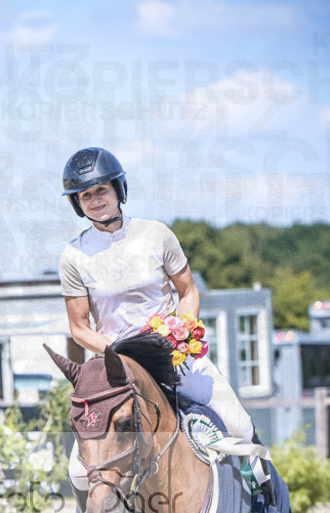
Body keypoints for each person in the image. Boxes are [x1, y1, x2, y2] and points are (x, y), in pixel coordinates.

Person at [58, 146, 268, 492]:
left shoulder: (156, 234)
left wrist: (182, 334)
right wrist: (122, 352)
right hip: (117, 367)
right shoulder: (73, 256)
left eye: (101, 190)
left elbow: (188, 291)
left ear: (118, 189)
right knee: (79, 472)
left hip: (174, 357)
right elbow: (79, 328)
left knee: (240, 425)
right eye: (84, 195)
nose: (94, 200)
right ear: (76, 203)